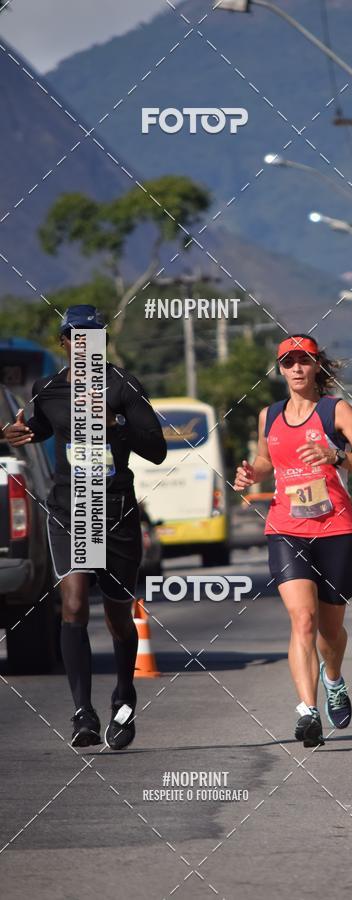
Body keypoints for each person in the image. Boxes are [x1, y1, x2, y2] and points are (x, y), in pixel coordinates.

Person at [4, 305, 167, 749]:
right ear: (64, 343)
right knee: (73, 604)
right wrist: (17, 433)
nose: (84, 344)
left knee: (117, 616)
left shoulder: (124, 386)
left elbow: (156, 450)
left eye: (92, 337)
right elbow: (39, 427)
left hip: (115, 510)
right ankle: (83, 713)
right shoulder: (47, 389)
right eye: (75, 337)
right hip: (70, 509)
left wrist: (118, 422)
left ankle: (124, 696)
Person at [233, 335, 352, 747]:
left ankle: (333, 679)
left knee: (330, 632)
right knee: (303, 619)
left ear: (317, 365)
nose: (296, 368)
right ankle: (308, 711)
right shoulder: (269, 416)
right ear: (280, 369)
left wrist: (337, 456)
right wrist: (252, 474)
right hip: (286, 527)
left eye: (304, 360)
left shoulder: (336, 411)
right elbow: (266, 459)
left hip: (335, 528)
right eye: (288, 362)